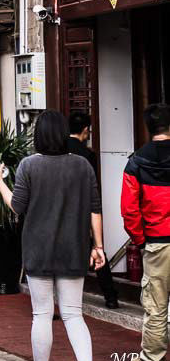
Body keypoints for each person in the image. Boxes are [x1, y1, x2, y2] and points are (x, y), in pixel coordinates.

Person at [0, 110, 103, 361]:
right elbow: (94, 208)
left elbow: (17, 206)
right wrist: (98, 246)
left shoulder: (29, 166)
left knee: (41, 315)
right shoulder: (82, 166)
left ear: (38, 135)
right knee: (74, 314)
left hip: (38, 249)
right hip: (74, 249)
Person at [121, 102, 170, 361]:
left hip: (157, 242)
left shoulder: (137, 161)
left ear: (148, 128)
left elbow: (129, 209)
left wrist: (140, 239)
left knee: (156, 306)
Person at [68, 111, 119, 310]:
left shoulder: (58, 149)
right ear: (85, 130)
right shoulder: (88, 155)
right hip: (82, 210)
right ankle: (110, 296)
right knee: (98, 252)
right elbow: (93, 189)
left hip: (61, 210)